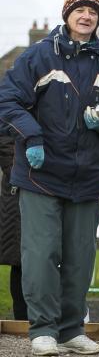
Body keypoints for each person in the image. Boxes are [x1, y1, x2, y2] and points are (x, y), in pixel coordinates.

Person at [0, 0, 99, 356]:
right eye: (80, 10)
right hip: (40, 173)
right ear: (67, 14)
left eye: (93, 11)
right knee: (41, 253)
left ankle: (72, 329)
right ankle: (43, 328)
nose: (86, 16)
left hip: (87, 175)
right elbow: (7, 102)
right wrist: (33, 137)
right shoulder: (38, 56)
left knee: (79, 257)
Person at [0, 134, 26, 320]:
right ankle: (22, 319)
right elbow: (5, 144)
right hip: (17, 191)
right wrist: (20, 172)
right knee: (20, 261)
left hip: (47, 187)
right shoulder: (11, 109)